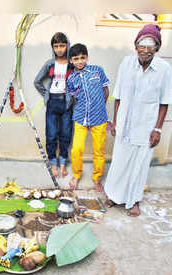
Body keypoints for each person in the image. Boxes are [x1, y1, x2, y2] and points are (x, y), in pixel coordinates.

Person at [104, 24, 172, 217]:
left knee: (139, 165)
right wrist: (116, 122)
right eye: (141, 46)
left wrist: (158, 129)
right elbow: (118, 95)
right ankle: (113, 195)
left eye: (150, 46)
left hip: (146, 128)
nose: (145, 50)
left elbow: (165, 102)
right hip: (124, 126)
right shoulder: (126, 63)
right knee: (119, 162)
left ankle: (133, 201)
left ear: (157, 48)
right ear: (135, 46)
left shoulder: (164, 69)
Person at [66, 43, 110, 191]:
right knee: (76, 148)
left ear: (87, 57)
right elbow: (75, 98)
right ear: (71, 60)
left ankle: (97, 178)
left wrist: (99, 106)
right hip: (80, 117)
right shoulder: (71, 79)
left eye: (82, 58)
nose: (80, 61)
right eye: (76, 59)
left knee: (99, 149)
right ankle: (76, 174)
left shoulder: (97, 71)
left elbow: (105, 90)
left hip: (99, 117)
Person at [34, 32, 74, 178]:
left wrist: (73, 96)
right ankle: (53, 162)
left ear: (67, 46)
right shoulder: (50, 64)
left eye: (62, 46)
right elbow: (37, 81)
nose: (59, 49)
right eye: (56, 46)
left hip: (66, 102)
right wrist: (46, 94)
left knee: (65, 133)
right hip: (52, 101)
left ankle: (63, 163)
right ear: (52, 48)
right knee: (51, 134)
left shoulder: (72, 64)